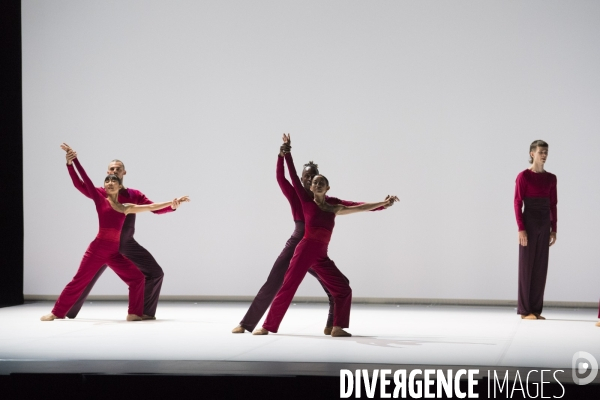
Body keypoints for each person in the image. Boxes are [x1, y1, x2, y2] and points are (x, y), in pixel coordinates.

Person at [232, 141, 392, 335]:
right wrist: (282, 156)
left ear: (321, 180)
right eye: (307, 177)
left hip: (317, 249)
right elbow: (282, 177)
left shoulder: (330, 202)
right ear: (302, 178)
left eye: (313, 176)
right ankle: (247, 324)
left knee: (335, 286)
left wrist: (382, 204)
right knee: (275, 282)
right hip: (299, 242)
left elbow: (355, 206)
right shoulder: (297, 193)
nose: (310, 180)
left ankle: (333, 326)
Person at [41, 144, 189, 321]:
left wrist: (171, 206)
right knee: (83, 279)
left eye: (117, 170)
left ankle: (139, 312)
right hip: (101, 246)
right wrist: (71, 163)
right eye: (110, 171)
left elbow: (152, 207)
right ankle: (61, 311)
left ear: (123, 174)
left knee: (145, 275)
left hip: (125, 244)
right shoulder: (101, 195)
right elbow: (83, 183)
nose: (113, 175)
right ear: (106, 175)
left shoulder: (131, 198)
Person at [514, 140, 557, 320]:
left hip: (544, 222)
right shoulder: (523, 176)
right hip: (529, 221)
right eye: (541, 152)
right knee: (526, 266)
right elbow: (517, 203)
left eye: (546, 152)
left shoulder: (551, 178)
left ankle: (536, 309)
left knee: (541, 267)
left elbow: (553, 204)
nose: (544, 155)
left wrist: (554, 228)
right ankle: (524, 311)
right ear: (532, 153)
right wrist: (521, 229)